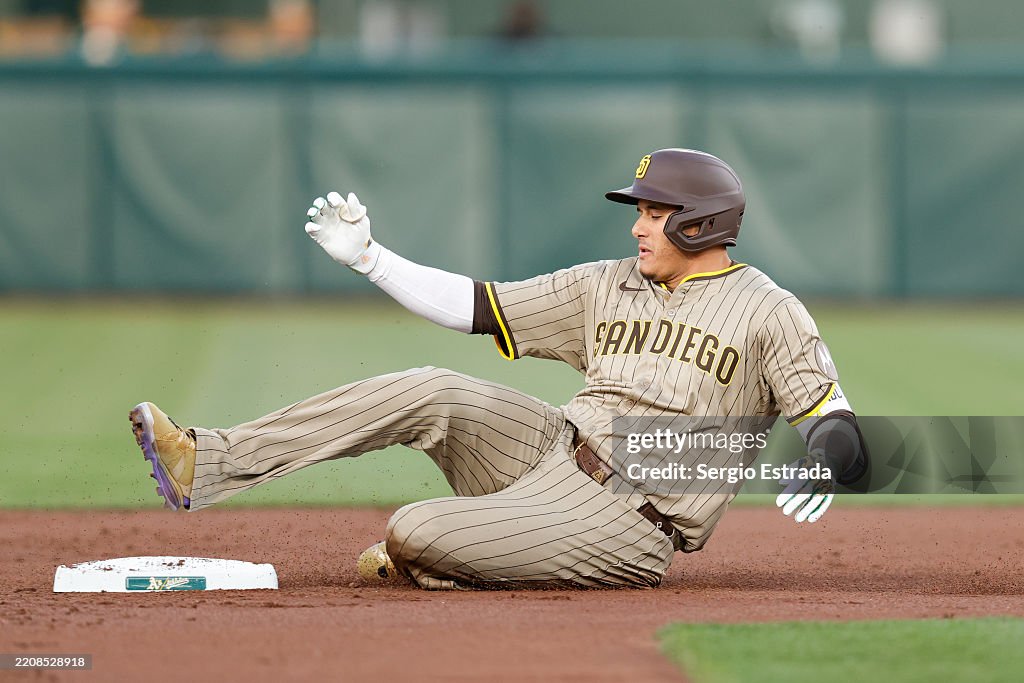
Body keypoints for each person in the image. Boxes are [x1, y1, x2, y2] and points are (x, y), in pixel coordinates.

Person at [129, 148, 868, 590]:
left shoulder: (769, 311)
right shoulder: (608, 282)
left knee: (414, 529)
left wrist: (822, 463)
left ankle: (439, 557)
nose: (638, 224)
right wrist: (372, 259)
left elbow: (838, 426)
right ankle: (206, 462)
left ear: (699, 222)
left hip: (629, 516)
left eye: (653, 211)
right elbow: (479, 306)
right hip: (549, 447)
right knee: (432, 387)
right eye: (640, 210)